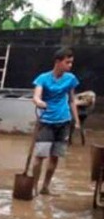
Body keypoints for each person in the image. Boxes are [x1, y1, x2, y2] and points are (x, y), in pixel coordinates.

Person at [32, 48, 80, 196]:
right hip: (46, 121)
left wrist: (76, 121)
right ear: (58, 62)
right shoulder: (43, 78)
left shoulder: (71, 79)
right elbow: (36, 96)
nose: (70, 65)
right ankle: (34, 187)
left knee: (55, 157)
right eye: (67, 62)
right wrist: (40, 102)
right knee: (39, 156)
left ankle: (45, 187)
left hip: (64, 122)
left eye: (71, 62)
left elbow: (72, 100)